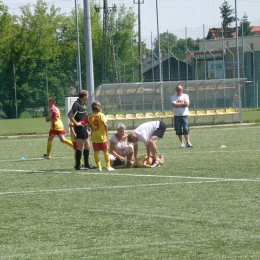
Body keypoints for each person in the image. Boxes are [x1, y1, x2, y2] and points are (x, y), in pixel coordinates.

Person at [76, 101, 114, 172]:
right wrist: (106, 132)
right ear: (99, 107)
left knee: (96, 152)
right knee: (105, 151)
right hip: (102, 137)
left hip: (94, 137)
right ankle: (108, 166)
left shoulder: (90, 116)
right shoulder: (101, 115)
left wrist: (75, 123)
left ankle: (99, 167)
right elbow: (105, 124)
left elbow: (82, 123)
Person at [67, 90, 96, 170]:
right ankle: (78, 165)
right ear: (84, 97)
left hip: (83, 128)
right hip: (79, 129)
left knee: (87, 146)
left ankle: (86, 164)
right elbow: (70, 114)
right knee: (80, 146)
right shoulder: (77, 104)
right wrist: (76, 123)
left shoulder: (82, 104)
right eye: (87, 95)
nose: (88, 97)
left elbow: (82, 117)